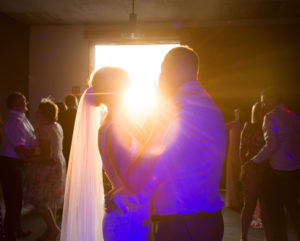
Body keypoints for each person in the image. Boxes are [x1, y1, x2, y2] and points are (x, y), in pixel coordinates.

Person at [114, 46, 227, 241]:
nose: (161, 77)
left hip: (182, 223)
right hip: (210, 220)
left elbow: (164, 163)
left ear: (174, 71)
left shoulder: (180, 107)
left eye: (163, 71)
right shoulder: (210, 106)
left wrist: (132, 199)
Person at [60, 67, 149, 241]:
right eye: (127, 84)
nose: (131, 87)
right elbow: (131, 181)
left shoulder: (127, 122)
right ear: (115, 91)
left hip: (136, 211)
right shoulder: (114, 129)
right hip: (126, 217)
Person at [249, 88, 300, 241]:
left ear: (272, 99)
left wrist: (253, 161)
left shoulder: (270, 117)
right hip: (295, 170)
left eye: (264, 100)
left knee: (275, 214)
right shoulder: (294, 116)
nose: (263, 104)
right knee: (294, 210)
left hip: (278, 172)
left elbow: (271, 146)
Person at [25, 99, 66, 241]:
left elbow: (46, 154)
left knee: (41, 201)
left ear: (44, 113)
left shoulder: (45, 130)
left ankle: (54, 229)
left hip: (47, 168)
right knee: (51, 201)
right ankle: (50, 232)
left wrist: (28, 159)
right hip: (56, 165)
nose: (36, 112)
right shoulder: (56, 126)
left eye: (39, 111)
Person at [0, 92, 35, 241]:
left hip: (18, 164)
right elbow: (19, 147)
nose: (26, 101)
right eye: (22, 100)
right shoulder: (14, 121)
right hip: (11, 165)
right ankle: (10, 235)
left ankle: (17, 229)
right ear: (15, 103)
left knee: (17, 199)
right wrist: (36, 159)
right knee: (13, 201)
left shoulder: (21, 117)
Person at [239, 102, 273, 241]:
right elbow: (242, 150)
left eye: (263, 110)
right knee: (249, 205)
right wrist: (245, 167)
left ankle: (269, 237)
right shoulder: (249, 127)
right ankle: (244, 237)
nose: (261, 113)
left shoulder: (268, 127)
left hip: (266, 171)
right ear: (254, 112)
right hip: (252, 171)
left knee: (266, 207)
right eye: (259, 110)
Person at [225, 108, 243, 210]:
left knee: (238, 178)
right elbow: (220, 128)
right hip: (233, 154)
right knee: (233, 176)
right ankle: (234, 201)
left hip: (240, 154)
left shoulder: (245, 124)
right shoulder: (233, 124)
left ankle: (239, 200)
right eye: (237, 112)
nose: (238, 114)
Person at [60, 95, 78, 165]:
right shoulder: (78, 114)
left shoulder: (62, 115)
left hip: (65, 143)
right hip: (76, 143)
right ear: (75, 102)